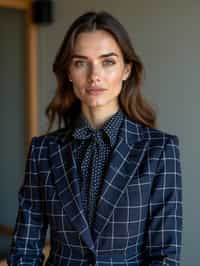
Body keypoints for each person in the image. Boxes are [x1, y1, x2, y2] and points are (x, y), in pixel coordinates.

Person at [7, 10, 183, 266]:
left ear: (126, 69)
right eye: (81, 62)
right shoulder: (43, 150)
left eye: (108, 61)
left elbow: (164, 256)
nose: (94, 75)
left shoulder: (160, 150)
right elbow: (24, 249)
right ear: (68, 71)